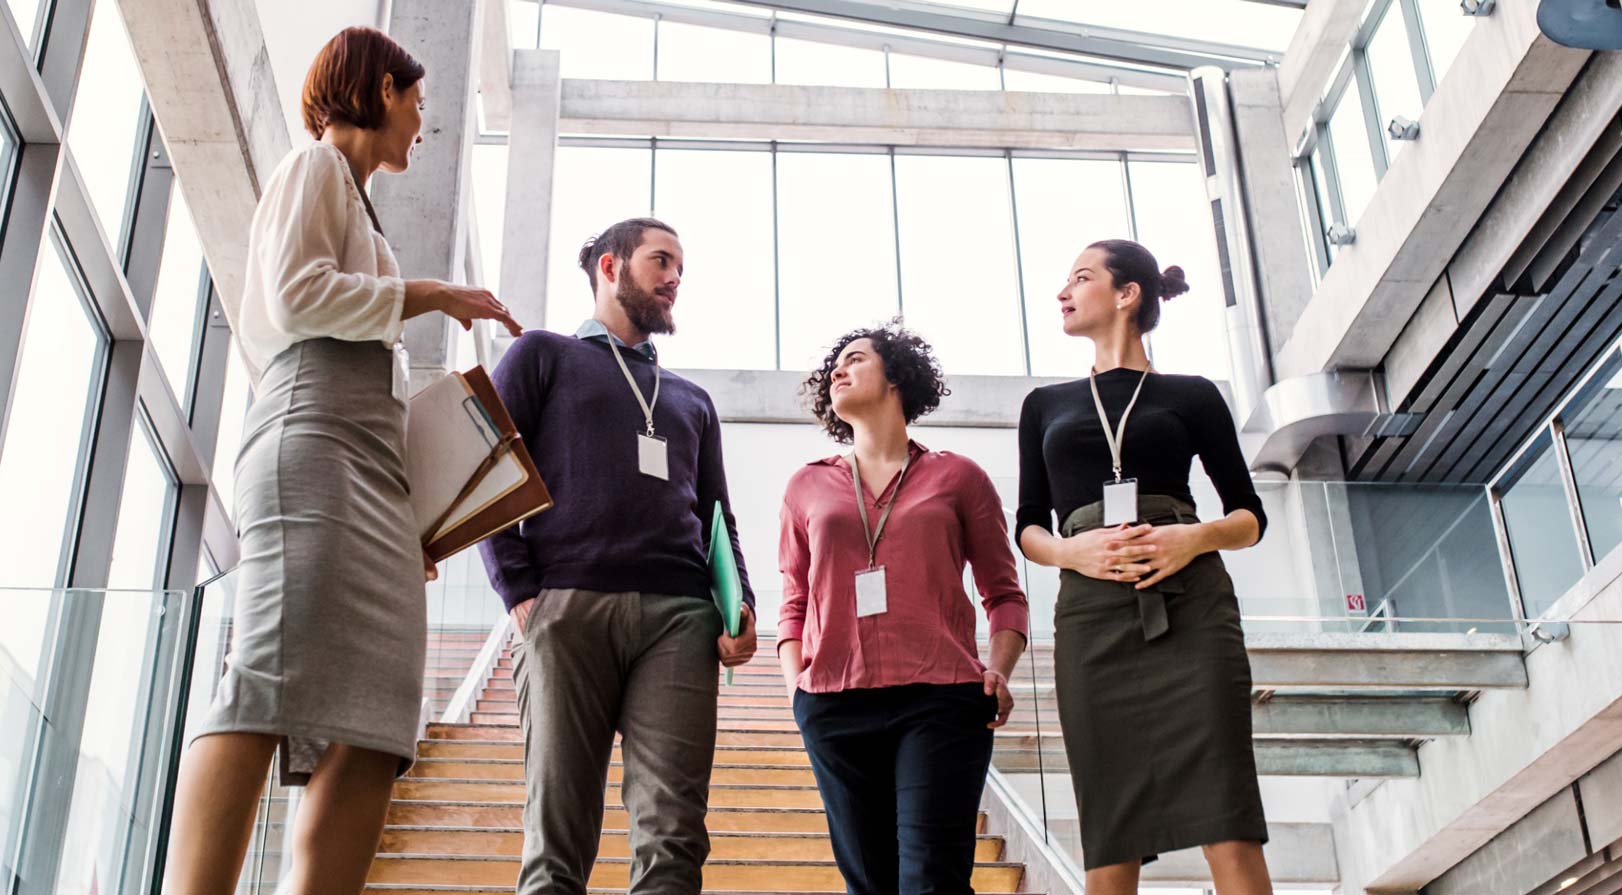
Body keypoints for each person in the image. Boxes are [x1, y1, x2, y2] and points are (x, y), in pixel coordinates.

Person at [163, 27, 521, 895]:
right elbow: (295, 295)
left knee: (382, 713)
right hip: (312, 437)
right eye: (419, 102)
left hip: (369, 466)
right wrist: (429, 294)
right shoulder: (314, 168)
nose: (423, 123)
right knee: (267, 672)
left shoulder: (363, 210)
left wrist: (415, 517)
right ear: (381, 89)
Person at [480, 216, 761, 895]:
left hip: (681, 619)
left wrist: (741, 600)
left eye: (680, 270)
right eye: (661, 261)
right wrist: (516, 587)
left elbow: (717, 512)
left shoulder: (692, 399)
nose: (673, 279)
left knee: (674, 836)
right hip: (567, 606)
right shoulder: (541, 355)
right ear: (610, 267)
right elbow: (487, 468)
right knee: (557, 838)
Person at [1014, 239, 1273, 895]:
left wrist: (1193, 538)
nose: (1062, 292)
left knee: (1229, 822)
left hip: (1191, 605)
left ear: (1127, 293)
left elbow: (1248, 515)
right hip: (1091, 616)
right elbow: (1028, 527)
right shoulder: (1044, 404)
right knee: (1111, 834)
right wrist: (1072, 552)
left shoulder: (1192, 394)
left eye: (1080, 277)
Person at [776, 323, 1029, 895]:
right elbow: (793, 602)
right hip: (833, 704)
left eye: (855, 359)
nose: (838, 370)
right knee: (869, 885)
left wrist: (999, 669)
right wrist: (799, 690)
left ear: (896, 378)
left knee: (931, 882)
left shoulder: (958, 476)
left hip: (941, 702)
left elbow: (1005, 593)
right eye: (833, 367)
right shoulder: (806, 486)